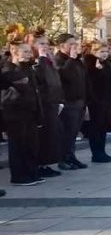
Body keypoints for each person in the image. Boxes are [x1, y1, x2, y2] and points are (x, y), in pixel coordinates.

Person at [1, 36, 43, 186]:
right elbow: (11, 93)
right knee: (18, 145)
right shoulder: (8, 70)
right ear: (14, 52)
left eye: (29, 51)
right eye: (24, 52)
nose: (28, 54)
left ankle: (31, 172)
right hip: (15, 114)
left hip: (30, 112)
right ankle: (18, 176)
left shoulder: (28, 68)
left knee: (30, 144)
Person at [53, 33, 88, 171]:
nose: (74, 47)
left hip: (80, 100)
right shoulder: (59, 60)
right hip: (68, 101)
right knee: (67, 132)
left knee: (74, 132)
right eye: (71, 44)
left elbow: (83, 79)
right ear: (62, 46)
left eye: (75, 44)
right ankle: (63, 159)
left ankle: (71, 156)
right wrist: (72, 60)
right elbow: (63, 75)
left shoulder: (77, 60)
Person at [32, 31, 64, 178]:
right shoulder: (37, 62)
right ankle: (39, 164)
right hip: (43, 104)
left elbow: (55, 81)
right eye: (41, 44)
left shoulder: (49, 60)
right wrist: (41, 59)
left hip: (53, 102)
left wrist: (59, 101)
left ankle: (45, 163)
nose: (45, 47)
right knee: (43, 136)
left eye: (46, 44)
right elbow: (40, 80)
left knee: (52, 135)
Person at [82, 43, 111, 163]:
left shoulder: (105, 64)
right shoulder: (90, 64)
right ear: (94, 52)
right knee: (96, 129)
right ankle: (96, 153)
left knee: (103, 128)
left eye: (106, 51)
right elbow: (92, 82)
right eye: (101, 51)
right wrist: (98, 71)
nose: (104, 54)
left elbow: (110, 82)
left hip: (105, 101)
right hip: (95, 102)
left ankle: (102, 151)